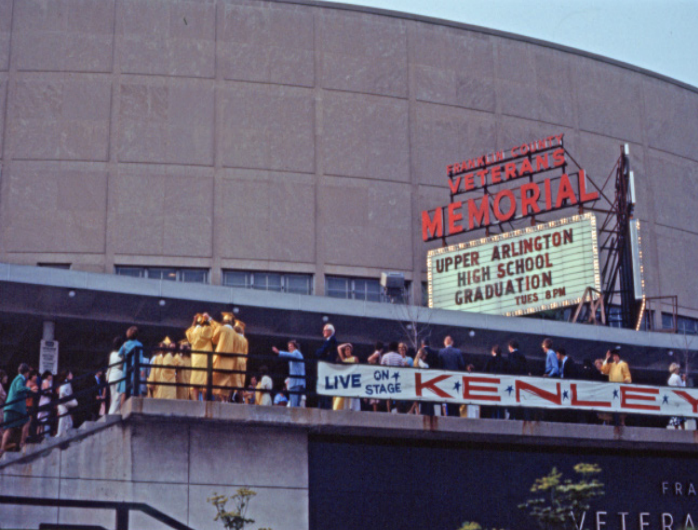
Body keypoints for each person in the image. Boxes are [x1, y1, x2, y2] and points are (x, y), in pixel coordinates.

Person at [0, 364, 35, 457]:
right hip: (16, 408)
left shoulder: (16, 378)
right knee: (27, 421)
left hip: (9, 408)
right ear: (26, 373)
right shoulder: (20, 378)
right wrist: (30, 389)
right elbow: (19, 388)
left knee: (9, 428)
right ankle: (22, 443)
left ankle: (2, 449)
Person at [186, 313, 215, 400]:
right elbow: (215, 329)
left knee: (195, 380)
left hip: (196, 359)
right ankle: (205, 400)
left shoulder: (193, 332)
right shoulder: (206, 330)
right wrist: (209, 318)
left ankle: (196, 400)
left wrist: (194, 321)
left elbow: (189, 332)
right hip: (205, 358)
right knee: (205, 380)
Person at [211, 312, 239, 401]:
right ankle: (225, 399)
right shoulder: (235, 333)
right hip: (230, 359)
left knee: (217, 377)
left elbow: (214, 339)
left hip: (220, 356)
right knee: (227, 379)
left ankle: (218, 398)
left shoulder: (221, 328)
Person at [601, 347, 632, 426]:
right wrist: (607, 358)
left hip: (621, 388)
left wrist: (627, 380)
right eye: (613, 356)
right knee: (613, 405)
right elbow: (603, 370)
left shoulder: (623, 364)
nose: (614, 358)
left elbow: (627, 375)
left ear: (618, 356)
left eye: (616, 356)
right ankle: (611, 421)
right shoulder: (611, 365)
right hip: (612, 388)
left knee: (620, 406)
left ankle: (621, 421)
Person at [117, 326, 146, 408]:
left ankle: (122, 410)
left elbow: (119, 354)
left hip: (126, 368)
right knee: (137, 389)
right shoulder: (139, 344)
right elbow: (140, 358)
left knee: (124, 391)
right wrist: (141, 369)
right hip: (136, 368)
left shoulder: (125, 344)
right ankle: (140, 408)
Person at [272, 340, 305, 408]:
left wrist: (279, 352)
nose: (289, 348)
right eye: (288, 346)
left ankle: (294, 418)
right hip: (298, 383)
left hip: (296, 383)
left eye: (291, 346)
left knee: (294, 405)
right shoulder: (297, 355)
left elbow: (289, 355)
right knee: (297, 405)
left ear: (295, 347)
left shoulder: (296, 353)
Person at [438, 336, 466, 417]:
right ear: (452, 342)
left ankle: (448, 414)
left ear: (444, 343)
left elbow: (439, 366)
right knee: (455, 399)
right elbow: (462, 365)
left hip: (445, 379)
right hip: (455, 379)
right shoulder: (457, 352)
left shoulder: (441, 352)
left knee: (447, 398)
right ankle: (456, 415)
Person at [315, 323, 338, 409]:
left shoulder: (331, 340)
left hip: (328, 367)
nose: (323, 332)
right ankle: (323, 405)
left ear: (330, 331)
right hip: (326, 367)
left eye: (325, 330)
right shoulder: (328, 341)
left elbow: (322, 351)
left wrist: (321, 352)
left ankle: (325, 407)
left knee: (326, 388)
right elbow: (320, 352)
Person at [415, 339, 440, 416]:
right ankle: (431, 413)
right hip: (432, 378)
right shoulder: (435, 353)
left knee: (423, 397)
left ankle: (423, 412)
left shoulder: (418, 354)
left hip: (421, 379)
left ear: (422, 344)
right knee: (430, 396)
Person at [333, 343, 360, 411]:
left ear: (351, 351)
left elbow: (358, 368)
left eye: (348, 350)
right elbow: (339, 348)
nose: (347, 351)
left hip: (353, 379)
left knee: (353, 399)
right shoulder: (344, 360)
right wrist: (347, 344)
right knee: (346, 400)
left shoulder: (354, 358)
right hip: (346, 381)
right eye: (346, 350)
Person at [483, 345, 506, 419]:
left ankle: (494, 418)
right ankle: (501, 418)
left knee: (493, 405)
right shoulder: (504, 361)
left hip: (492, 385)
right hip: (502, 385)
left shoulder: (490, 360)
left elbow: (484, 372)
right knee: (501, 405)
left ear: (493, 352)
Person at [106, 336, 125, 414]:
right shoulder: (122, 355)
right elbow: (121, 366)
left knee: (113, 396)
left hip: (111, 376)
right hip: (118, 375)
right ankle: (111, 413)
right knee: (118, 396)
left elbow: (109, 366)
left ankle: (113, 412)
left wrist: (107, 376)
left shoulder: (112, 354)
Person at [56, 370, 78, 437]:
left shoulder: (67, 382)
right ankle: (59, 435)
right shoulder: (66, 382)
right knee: (62, 420)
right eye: (71, 374)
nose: (72, 375)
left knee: (69, 423)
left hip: (64, 404)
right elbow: (62, 392)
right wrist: (69, 397)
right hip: (62, 404)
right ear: (68, 375)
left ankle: (63, 435)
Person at [667, 363, 686, 429]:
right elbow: (682, 387)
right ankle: (683, 430)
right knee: (680, 416)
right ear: (675, 370)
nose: (678, 370)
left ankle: (676, 429)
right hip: (678, 398)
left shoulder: (670, 378)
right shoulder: (677, 377)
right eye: (678, 369)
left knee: (674, 416)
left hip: (673, 398)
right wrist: (684, 380)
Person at [37, 371, 54, 436]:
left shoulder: (45, 381)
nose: (51, 377)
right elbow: (47, 390)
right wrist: (51, 393)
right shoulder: (45, 381)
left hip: (45, 401)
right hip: (44, 401)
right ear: (48, 376)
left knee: (42, 418)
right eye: (50, 375)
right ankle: (40, 434)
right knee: (43, 418)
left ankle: (40, 433)